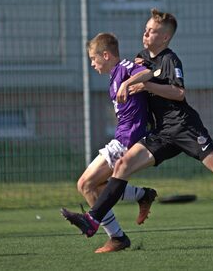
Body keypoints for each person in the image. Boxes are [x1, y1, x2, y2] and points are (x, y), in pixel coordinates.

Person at [61, 9, 213, 238]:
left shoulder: (170, 59)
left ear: (165, 38)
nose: (145, 33)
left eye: (152, 31)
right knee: (123, 165)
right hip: (161, 132)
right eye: (146, 29)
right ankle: (93, 220)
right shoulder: (139, 59)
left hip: (183, 126)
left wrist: (145, 84)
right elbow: (134, 73)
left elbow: (179, 93)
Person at [61, 33, 157, 253]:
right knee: (98, 186)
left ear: (106, 55)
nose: (93, 64)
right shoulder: (114, 75)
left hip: (128, 139)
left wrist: (128, 84)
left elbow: (148, 73)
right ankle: (142, 195)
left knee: (85, 184)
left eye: (94, 59)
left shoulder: (124, 67)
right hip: (122, 138)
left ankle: (117, 237)